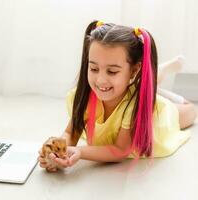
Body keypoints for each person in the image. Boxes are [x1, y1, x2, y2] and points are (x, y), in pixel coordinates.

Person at [38, 21, 197, 172]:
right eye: (93, 68)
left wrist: (79, 151)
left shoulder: (135, 106)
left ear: (134, 70)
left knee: (191, 110)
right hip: (128, 86)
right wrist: (56, 151)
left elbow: (120, 150)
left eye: (112, 71)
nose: (100, 80)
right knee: (138, 85)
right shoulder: (85, 96)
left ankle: (153, 85)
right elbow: (70, 133)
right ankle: (152, 81)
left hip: (155, 116)